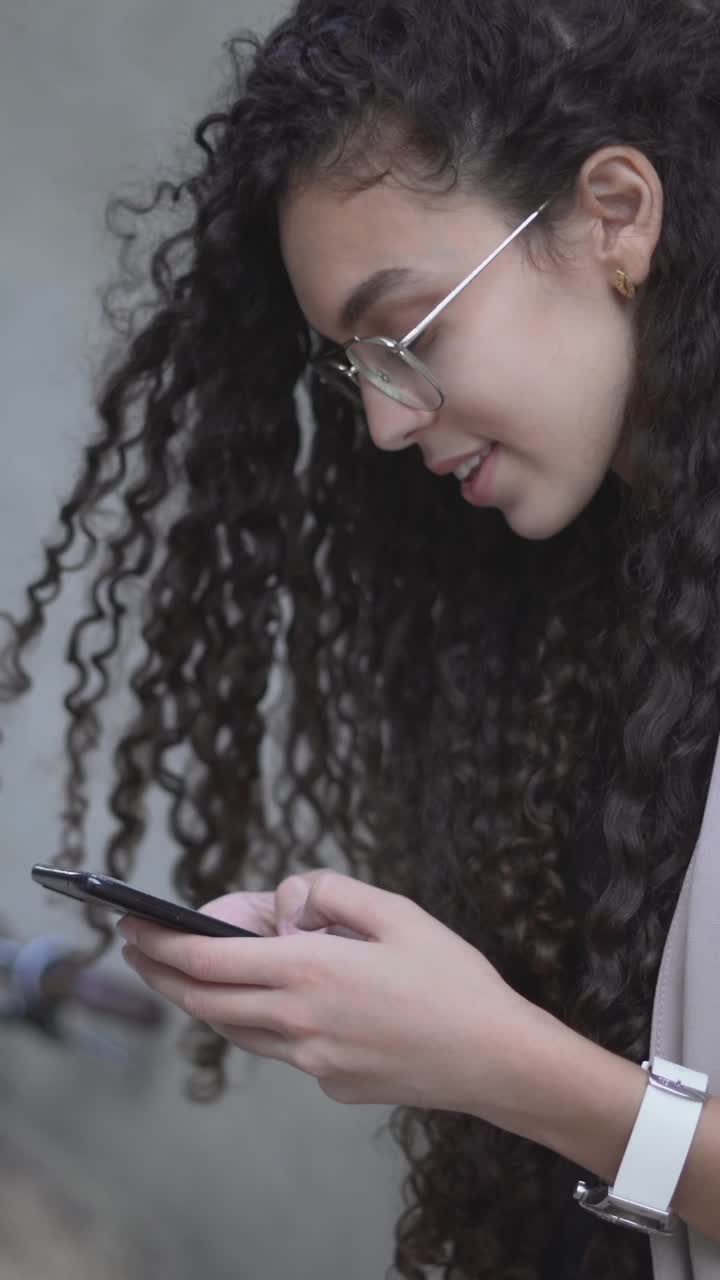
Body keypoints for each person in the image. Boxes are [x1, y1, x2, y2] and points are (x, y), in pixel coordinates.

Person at [4, 0, 720, 1276]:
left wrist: (502, 1062)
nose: (385, 426)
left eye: (408, 336)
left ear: (616, 213)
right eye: (357, 370)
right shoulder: (603, 614)